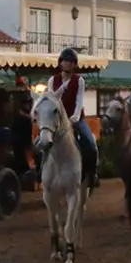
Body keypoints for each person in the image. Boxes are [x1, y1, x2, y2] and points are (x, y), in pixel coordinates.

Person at [46, 48, 98, 188]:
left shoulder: (79, 80)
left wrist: (74, 118)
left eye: (71, 62)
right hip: (57, 120)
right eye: (66, 61)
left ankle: (92, 175)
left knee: (91, 146)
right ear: (60, 63)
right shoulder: (52, 80)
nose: (68, 64)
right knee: (40, 142)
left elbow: (79, 101)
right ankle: (40, 173)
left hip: (76, 119)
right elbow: (51, 99)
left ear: (75, 64)